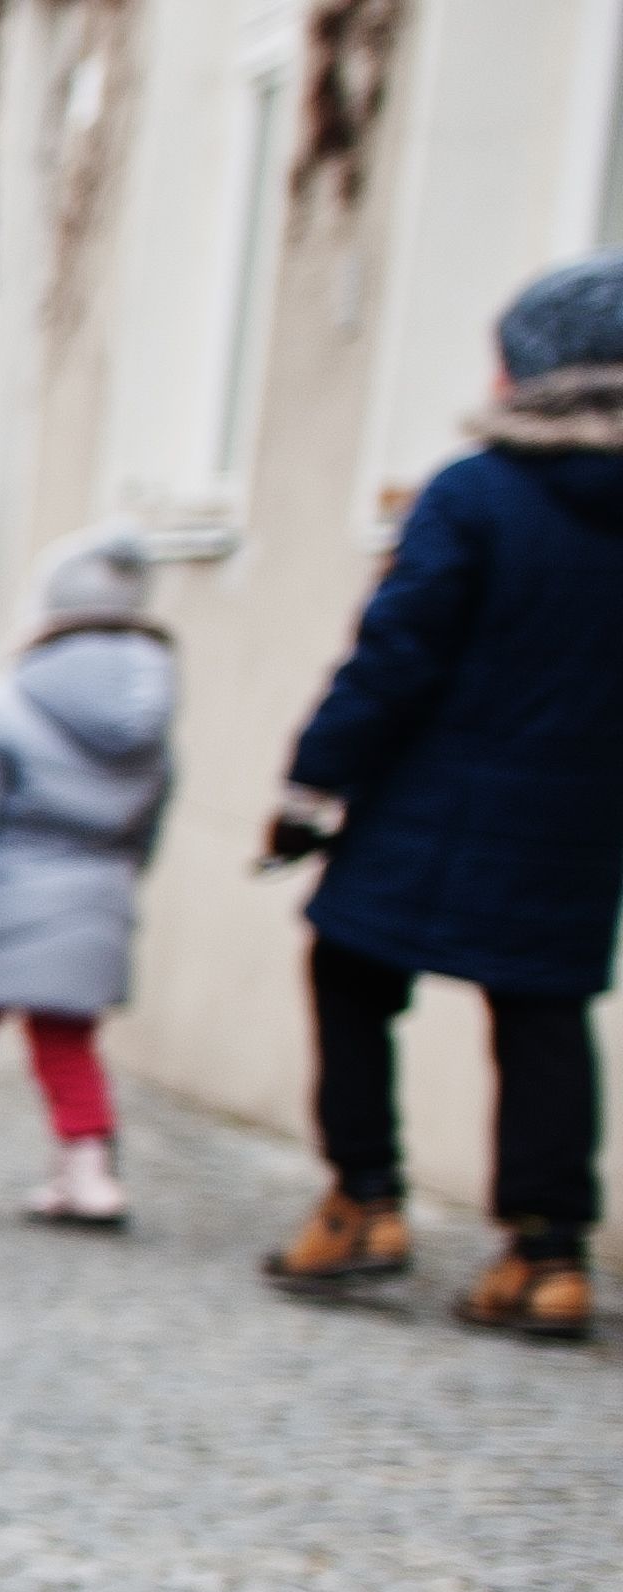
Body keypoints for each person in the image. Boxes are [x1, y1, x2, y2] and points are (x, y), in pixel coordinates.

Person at [260, 249, 623, 1340]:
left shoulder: (474, 494)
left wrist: (313, 781)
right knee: (540, 1009)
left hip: (435, 798)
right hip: (579, 812)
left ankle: (362, 1203)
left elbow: (393, 655)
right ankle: (548, 1253)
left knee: (349, 971)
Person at [0, 526, 175, 1226]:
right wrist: (121, 885)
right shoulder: (152, 718)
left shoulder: (1, 704)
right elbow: (153, 816)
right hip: (97, 897)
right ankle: (89, 1173)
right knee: (66, 1038)